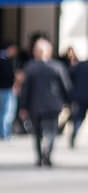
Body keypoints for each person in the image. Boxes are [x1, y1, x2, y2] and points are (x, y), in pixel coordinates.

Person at [19, 35, 73, 168]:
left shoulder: (30, 67)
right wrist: (68, 102)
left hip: (35, 105)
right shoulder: (57, 67)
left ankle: (39, 157)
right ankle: (47, 154)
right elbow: (66, 86)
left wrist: (22, 106)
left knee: (37, 133)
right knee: (51, 131)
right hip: (53, 105)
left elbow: (25, 89)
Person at [0, 43, 20, 141]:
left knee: (8, 111)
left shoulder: (7, 60)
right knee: (5, 111)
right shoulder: (3, 60)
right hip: (5, 88)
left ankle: (5, 132)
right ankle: (3, 133)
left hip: (8, 88)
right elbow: (6, 75)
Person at [70, 46, 88, 149]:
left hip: (79, 96)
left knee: (79, 118)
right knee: (79, 117)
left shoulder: (79, 66)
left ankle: (74, 133)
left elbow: (70, 78)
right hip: (80, 95)